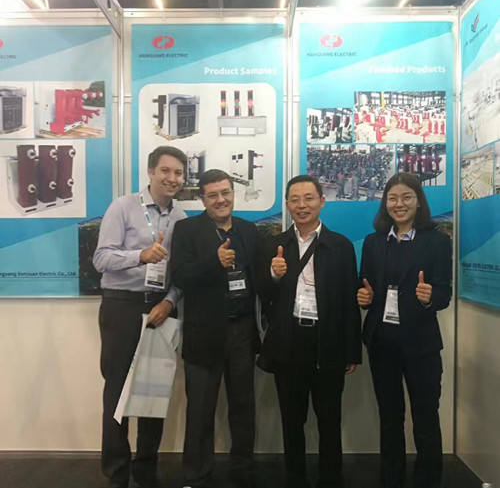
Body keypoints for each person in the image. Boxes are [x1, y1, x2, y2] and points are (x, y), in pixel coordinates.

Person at [258, 175, 361, 488]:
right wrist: (273, 276)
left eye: (309, 198)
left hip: (327, 341)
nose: (302, 205)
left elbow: (349, 301)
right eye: (295, 199)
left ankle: (331, 478)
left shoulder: (340, 245)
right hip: (289, 341)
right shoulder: (275, 244)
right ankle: (295, 478)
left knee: (330, 419)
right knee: (292, 419)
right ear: (287, 204)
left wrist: (351, 350)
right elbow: (263, 295)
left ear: (322, 201)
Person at [93, 145, 188, 488]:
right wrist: (140, 255)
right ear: (150, 172)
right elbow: (101, 259)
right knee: (118, 392)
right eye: (165, 171)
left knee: (153, 392)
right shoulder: (123, 207)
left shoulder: (181, 219)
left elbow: (181, 273)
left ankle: (146, 469)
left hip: (160, 307)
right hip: (122, 306)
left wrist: (171, 302)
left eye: (178, 173)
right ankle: (117, 473)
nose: (172, 178)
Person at [357, 173, 452, 488]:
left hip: (421, 346)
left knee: (426, 419)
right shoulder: (374, 242)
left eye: (406, 197)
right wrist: (364, 296)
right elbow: (364, 283)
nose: (399, 204)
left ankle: (428, 480)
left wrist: (430, 297)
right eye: (393, 198)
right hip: (382, 343)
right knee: (389, 418)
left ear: (418, 201)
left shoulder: (438, 241)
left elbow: (444, 294)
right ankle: (391, 479)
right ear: (385, 203)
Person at [170, 169, 260, 488]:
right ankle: (196, 474)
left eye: (225, 193)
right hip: (204, 333)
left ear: (233, 193)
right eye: (213, 195)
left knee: (243, 407)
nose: (221, 200)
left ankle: (242, 470)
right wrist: (214, 261)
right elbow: (180, 276)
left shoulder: (249, 230)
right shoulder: (187, 230)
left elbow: (259, 277)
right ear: (202, 199)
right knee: (200, 410)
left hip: (242, 331)